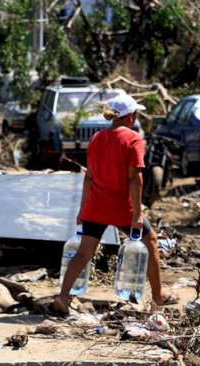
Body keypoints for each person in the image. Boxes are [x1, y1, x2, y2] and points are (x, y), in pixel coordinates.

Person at [51, 94, 178, 315]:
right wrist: (137, 213)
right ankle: (159, 295)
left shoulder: (97, 137)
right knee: (151, 241)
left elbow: (89, 177)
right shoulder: (134, 139)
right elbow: (135, 178)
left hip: (96, 206)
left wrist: (82, 209)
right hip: (122, 208)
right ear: (131, 116)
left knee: (83, 253)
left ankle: (62, 297)